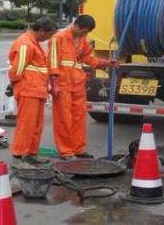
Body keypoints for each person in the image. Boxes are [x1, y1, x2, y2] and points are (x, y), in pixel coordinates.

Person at [49, 15, 116, 160]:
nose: (85, 35)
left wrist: (105, 63)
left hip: (77, 83)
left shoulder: (82, 39)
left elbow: (88, 58)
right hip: (63, 83)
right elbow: (52, 61)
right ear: (77, 26)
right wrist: (54, 84)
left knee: (79, 117)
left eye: (87, 33)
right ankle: (66, 151)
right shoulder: (58, 38)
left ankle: (78, 149)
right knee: (63, 118)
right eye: (84, 32)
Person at [9, 17, 58, 169]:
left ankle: (31, 153)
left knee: (36, 125)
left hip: (36, 90)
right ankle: (18, 157)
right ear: (41, 31)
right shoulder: (25, 43)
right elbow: (17, 70)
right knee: (26, 125)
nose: (48, 39)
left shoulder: (32, 43)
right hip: (28, 90)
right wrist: (14, 85)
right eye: (49, 35)